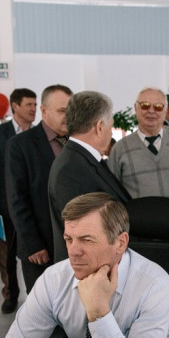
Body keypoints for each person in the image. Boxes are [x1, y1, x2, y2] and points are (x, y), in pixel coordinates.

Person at [0, 193, 169, 338]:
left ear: (120, 242)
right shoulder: (54, 279)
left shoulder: (154, 284)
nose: (73, 251)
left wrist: (99, 313)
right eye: (68, 239)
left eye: (86, 240)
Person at [108, 87, 169, 246]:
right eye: (145, 105)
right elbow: (111, 196)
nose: (151, 111)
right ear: (136, 108)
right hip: (137, 235)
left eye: (158, 106)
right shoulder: (120, 149)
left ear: (165, 110)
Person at [48, 91, 131, 263]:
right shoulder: (71, 169)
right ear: (99, 127)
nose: (111, 133)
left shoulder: (83, 159)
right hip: (91, 269)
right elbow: (84, 234)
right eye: (110, 127)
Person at [6, 84, 73, 292]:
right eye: (62, 111)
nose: (68, 117)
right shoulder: (20, 145)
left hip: (74, 244)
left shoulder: (76, 142)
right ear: (44, 111)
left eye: (71, 111)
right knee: (44, 303)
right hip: (41, 247)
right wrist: (33, 244)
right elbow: (17, 199)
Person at [0, 87, 37, 314]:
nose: (34, 109)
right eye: (29, 105)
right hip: (5, 206)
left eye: (35, 105)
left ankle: (37, 296)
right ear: (15, 106)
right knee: (6, 253)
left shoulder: (38, 133)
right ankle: (10, 294)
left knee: (34, 249)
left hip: (33, 205)